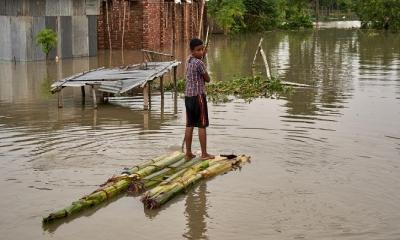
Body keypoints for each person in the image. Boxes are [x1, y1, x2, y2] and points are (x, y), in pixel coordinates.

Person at [184, 38, 214, 161]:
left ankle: (188, 152)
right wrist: (203, 60)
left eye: (202, 49)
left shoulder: (188, 60)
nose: (201, 52)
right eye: (198, 50)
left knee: (190, 124)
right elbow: (208, 79)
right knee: (202, 125)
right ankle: (204, 154)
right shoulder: (199, 63)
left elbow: (197, 65)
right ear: (192, 51)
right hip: (198, 97)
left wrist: (202, 57)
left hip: (188, 97)